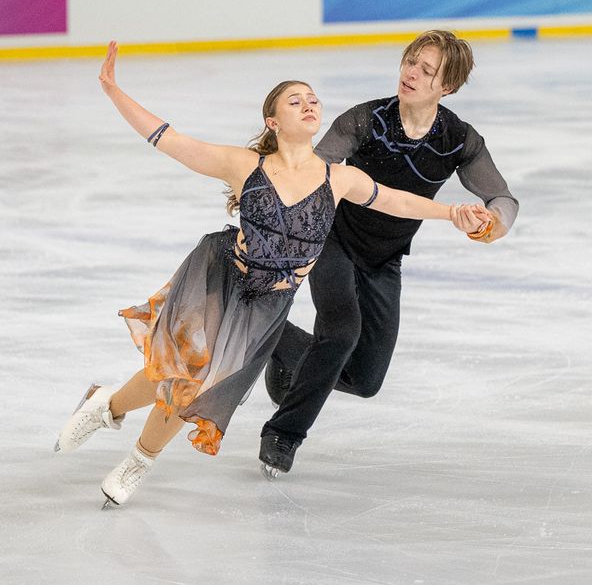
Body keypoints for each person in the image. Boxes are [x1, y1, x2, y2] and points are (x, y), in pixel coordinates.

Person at [55, 41, 489, 508]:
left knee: (189, 380)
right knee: (184, 374)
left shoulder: (339, 178)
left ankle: (114, 419)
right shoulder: (245, 165)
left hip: (271, 305)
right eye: (294, 100)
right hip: (222, 281)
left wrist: (452, 212)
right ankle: (126, 439)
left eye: (313, 99)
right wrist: (113, 91)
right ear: (273, 121)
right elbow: (169, 139)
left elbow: (397, 201)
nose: (308, 104)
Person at [259, 30, 518, 477]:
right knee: (341, 334)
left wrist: (490, 223)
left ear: (447, 86)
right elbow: (313, 170)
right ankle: (283, 434)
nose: (411, 73)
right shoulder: (366, 120)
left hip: (385, 259)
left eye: (426, 70)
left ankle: (279, 342)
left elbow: (503, 199)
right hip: (333, 241)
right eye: (410, 62)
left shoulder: (458, 139)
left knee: (365, 380)